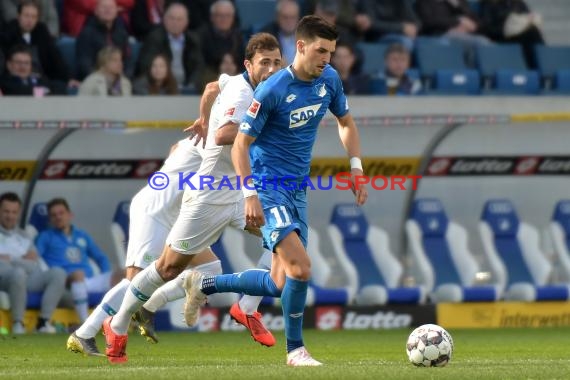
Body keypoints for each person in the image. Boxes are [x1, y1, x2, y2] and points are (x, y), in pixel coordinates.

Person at [183, 15, 368, 366]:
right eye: (320, 50)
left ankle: (202, 285)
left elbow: (346, 122)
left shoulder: (328, 79)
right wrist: (250, 194)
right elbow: (239, 145)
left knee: (280, 283)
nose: (327, 59)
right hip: (269, 188)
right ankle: (295, 351)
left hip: (298, 190)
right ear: (300, 46)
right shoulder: (272, 90)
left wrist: (355, 168)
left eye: (331, 51)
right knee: (300, 269)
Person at [102, 32, 284, 363]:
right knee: (167, 268)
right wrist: (262, 127)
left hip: (240, 192)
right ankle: (117, 323)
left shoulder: (246, 83)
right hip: (209, 195)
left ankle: (246, 307)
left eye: (276, 62)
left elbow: (212, 87)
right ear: (249, 65)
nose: (271, 68)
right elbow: (225, 133)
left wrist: (202, 115)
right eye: (264, 63)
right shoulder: (243, 92)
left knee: (286, 238)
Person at [35, 198, 123, 324]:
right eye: (54, 215)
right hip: (66, 282)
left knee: (125, 274)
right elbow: (36, 258)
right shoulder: (45, 237)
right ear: (50, 219)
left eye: (61, 213)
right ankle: (85, 323)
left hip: (89, 281)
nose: (58, 217)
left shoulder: (82, 235)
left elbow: (100, 257)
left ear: (70, 214)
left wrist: (105, 274)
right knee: (78, 274)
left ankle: (123, 321)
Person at [0, 192, 66, 334]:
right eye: (6, 211)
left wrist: (10, 259)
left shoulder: (24, 235)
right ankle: (18, 322)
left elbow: (33, 263)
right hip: (4, 278)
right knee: (18, 273)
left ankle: (43, 323)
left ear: (18, 213)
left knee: (58, 273)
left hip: (27, 276)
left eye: (14, 212)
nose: (10, 216)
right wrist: (23, 259)